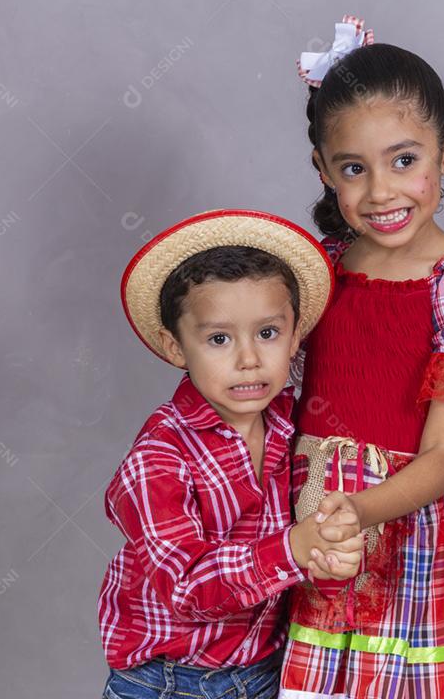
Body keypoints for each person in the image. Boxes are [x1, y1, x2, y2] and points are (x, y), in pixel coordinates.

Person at [279, 17, 444, 698]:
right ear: (323, 169)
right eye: (353, 169)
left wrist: (358, 510)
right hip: (313, 526)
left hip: (412, 537)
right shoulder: (316, 271)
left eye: (404, 160)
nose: (381, 192)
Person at [100, 209, 367, 699]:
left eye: (267, 333)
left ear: (295, 335)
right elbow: (184, 588)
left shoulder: (293, 420)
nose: (249, 359)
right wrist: (294, 548)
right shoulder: (159, 457)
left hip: (265, 672)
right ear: (175, 346)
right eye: (219, 339)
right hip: (168, 682)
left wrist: (326, 548)